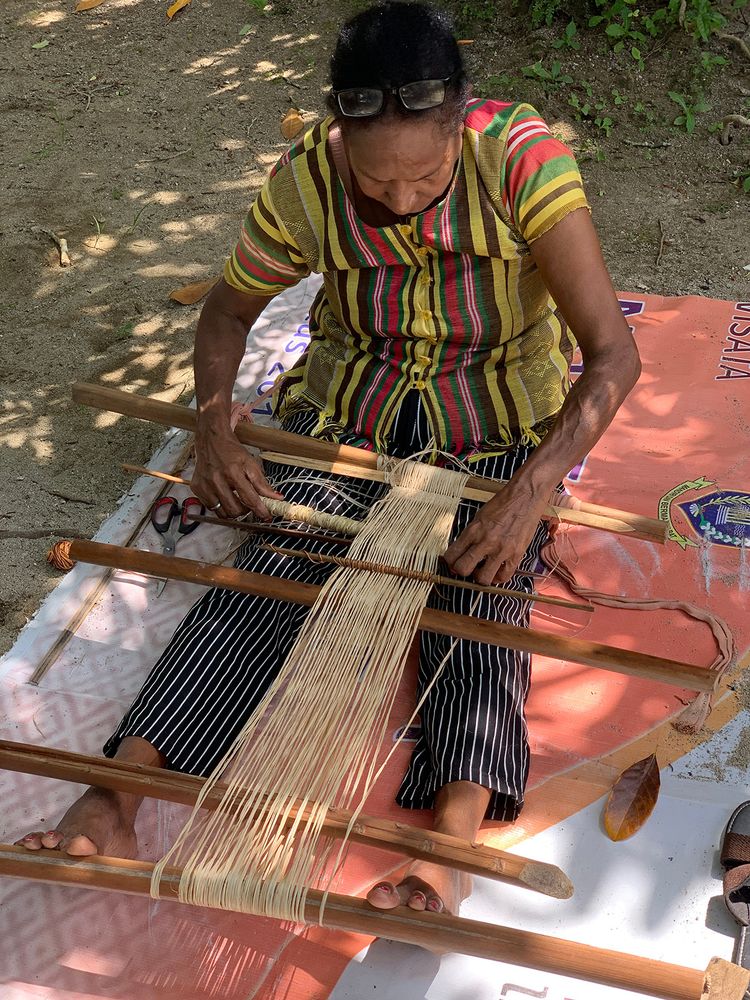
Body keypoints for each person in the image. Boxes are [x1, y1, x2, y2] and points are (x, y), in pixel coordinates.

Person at [18, 1, 640, 917]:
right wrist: (215, 427)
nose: (400, 200)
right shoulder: (310, 177)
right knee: (274, 568)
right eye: (375, 182)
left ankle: (445, 846)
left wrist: (527, 493)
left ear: (459, 121)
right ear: (340, 139)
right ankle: (116, 797)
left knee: (482, 596)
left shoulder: (518, 158)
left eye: (423, 177)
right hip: (349, 412)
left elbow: (613, 356)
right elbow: (227, 312)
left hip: (496, 423)